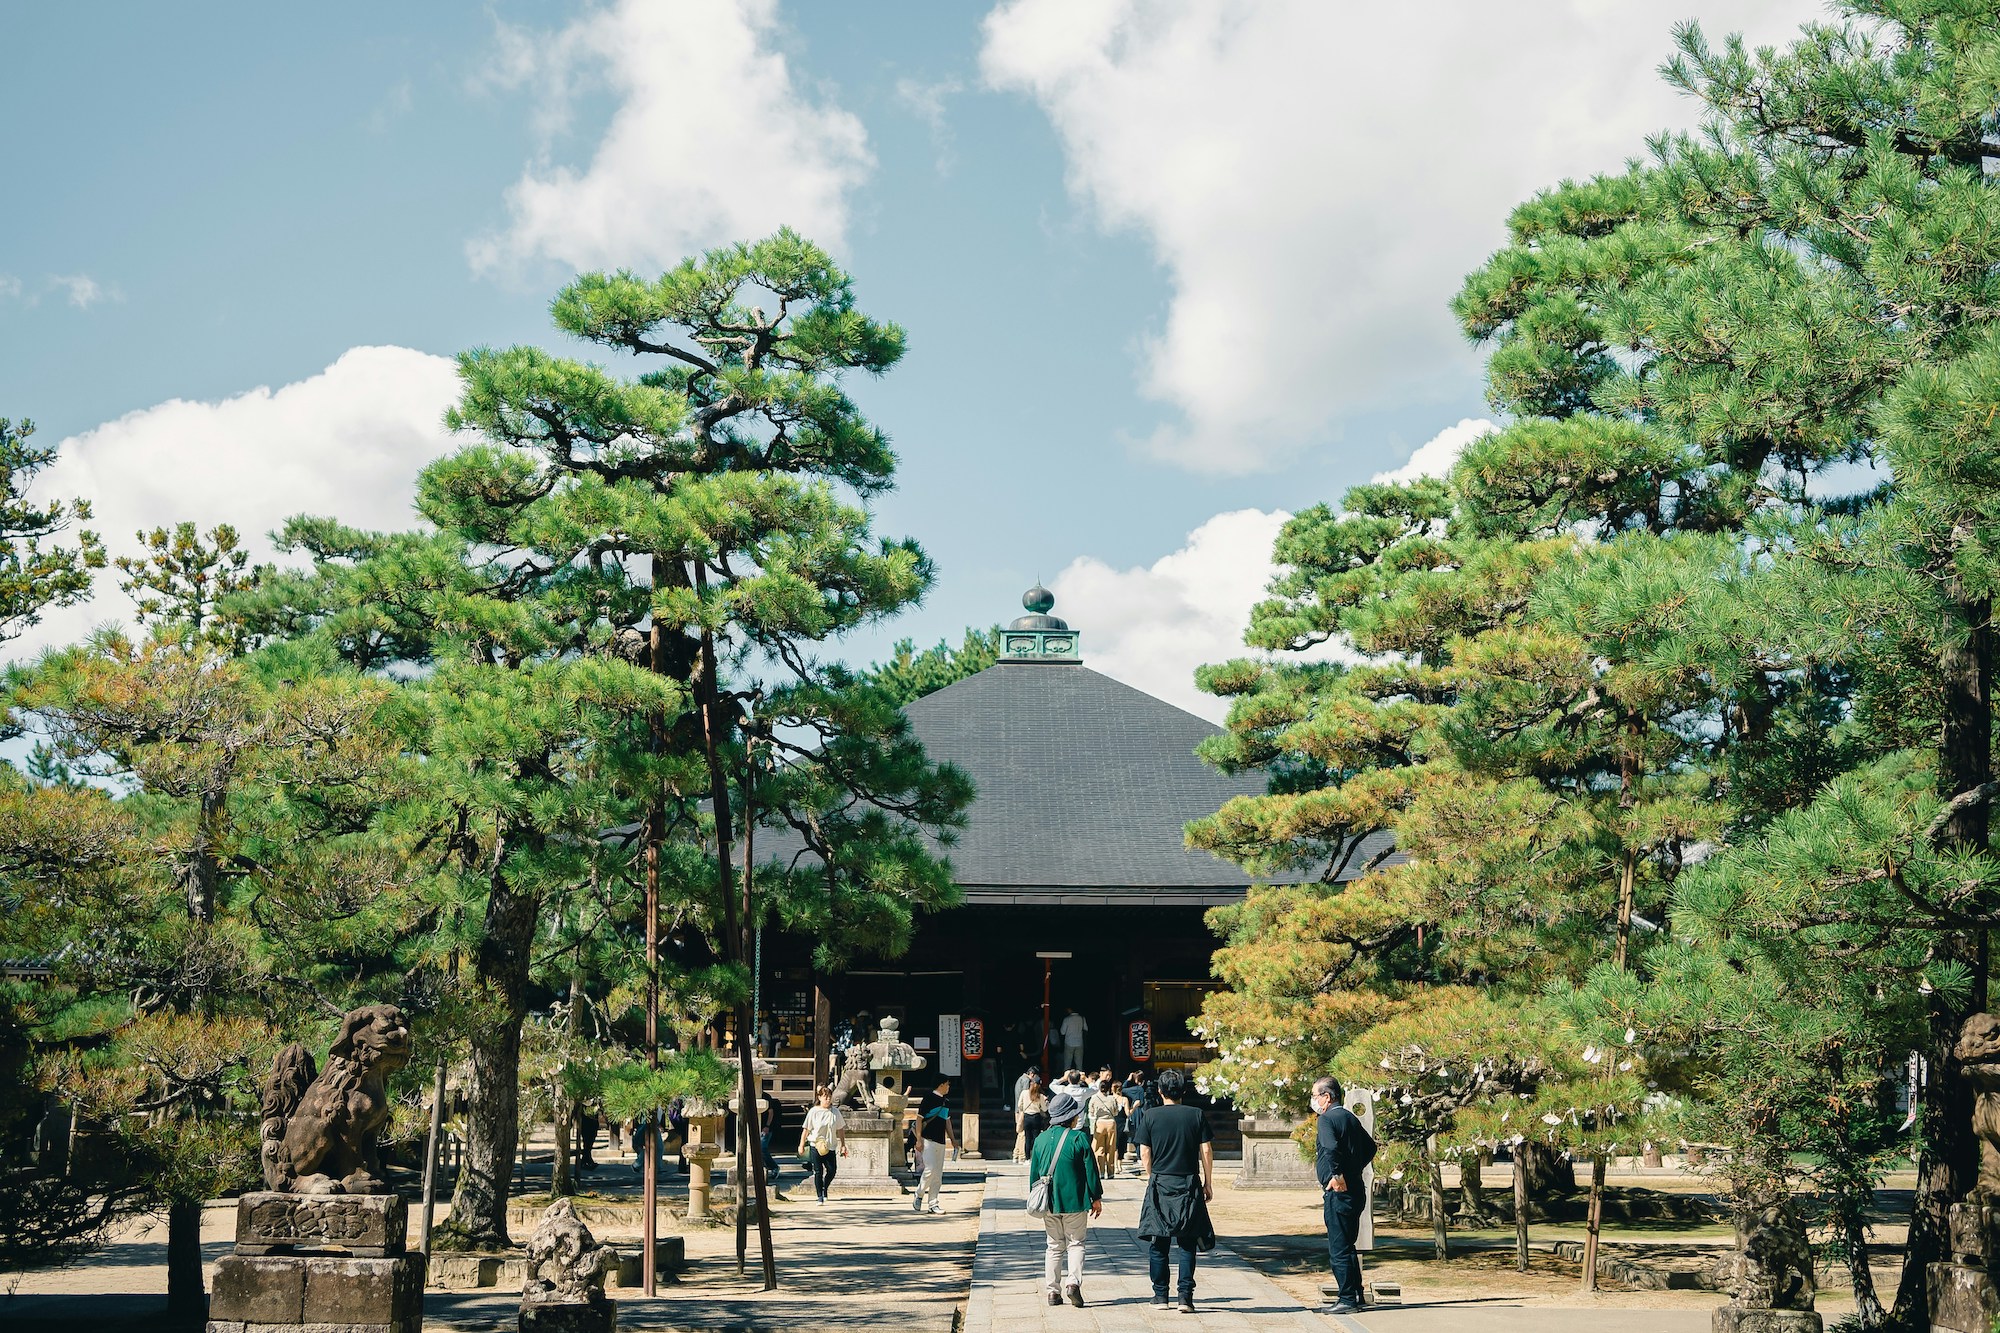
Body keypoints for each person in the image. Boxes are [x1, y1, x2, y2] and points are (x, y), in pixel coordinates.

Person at [1133, 1068, 1215, 1314]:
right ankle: (1185, 1297)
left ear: (1160, 1091)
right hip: (1188, 1181)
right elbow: (1206, 1150)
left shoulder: (1150, 1115)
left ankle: (1160, 1295)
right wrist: (1208, 1182)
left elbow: (1144, 1151)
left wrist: (1152, 1175)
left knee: (1159, 1241)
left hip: (1161, 1181)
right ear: (1184, 1091)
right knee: (1188, 1242)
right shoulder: (1195, 1114)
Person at [1028, 1092, 1103, 1308]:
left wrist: (1036, 1198)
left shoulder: (1040, 1140)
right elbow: (1091, 1171)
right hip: (1075, 1200)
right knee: (1076, 1243)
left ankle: (1053, 1292)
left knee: (1053, 1246)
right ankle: (1073, 1283)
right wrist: (1096, 1197)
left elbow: (1034, 1175)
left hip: (1049, 1202)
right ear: (1071, 1116)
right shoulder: (1079, 1138)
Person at [1312, 1075, 1377, 1315]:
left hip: (1339, 1192)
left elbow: (1330, 1148)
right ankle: (1356, 1293)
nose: (1314, 1100)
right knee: (1348, 1245)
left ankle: (1347, 1298)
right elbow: (1371, 1147)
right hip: (1356, 1189)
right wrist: (1354, 1169)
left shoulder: (1327, 1119)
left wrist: (1338, 1174)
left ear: (1327, 1097)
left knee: (1339, 1248)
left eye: (1315, 1095)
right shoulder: (1350, 1118)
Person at [912, 1075, 957, 1214]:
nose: (948, 1087)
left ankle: (933, 1203)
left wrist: (953, 1139)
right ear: (941, 1084)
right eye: (947, 1084)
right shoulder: (929, 1098)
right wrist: (918, 1139)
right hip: (928, 1139)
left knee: (938, 1174)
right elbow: (919, 1119)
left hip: (940, 1141)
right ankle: (919, 1193)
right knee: (930, 1169)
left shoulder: (946, 1102)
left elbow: (947, 1122)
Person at [797, 1084, 849, 1204]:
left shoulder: (835, 1112)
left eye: (830, 1097)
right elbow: (806, 1129)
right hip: (816, 1145)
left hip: (830, 1145)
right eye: (825, 1097)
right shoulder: (813, 1112)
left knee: (832, 1170)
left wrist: (843, 1144)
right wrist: (801, 1145)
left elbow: (840, 1129)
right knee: (818, 1171)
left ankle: (825, 1187)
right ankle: (819, 1195)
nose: (828, 1099)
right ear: (820, 1097)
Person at [1087, 1077, 1124, 1180]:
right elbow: (1116, 1112)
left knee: (1099, 1148)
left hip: (1099, 1123)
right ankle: (1111, 1172)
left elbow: (1091, 1113)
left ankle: (1101, 1172)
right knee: (1111, 1148)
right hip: (1111, 1123)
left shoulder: (1094, 1098)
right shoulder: (1112, 1099)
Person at [1016, 1073, 1051, 1162]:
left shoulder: (1024, 1093)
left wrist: (1024, 1109)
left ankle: (1027, 1158)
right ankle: (1036, 1158)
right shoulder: (1040, 1096)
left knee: (1027, 1138)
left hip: (1027, 1117)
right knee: (1036, 1138)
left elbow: (1019, 1105)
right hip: (1036, 1117)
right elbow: (1044, 1108)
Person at [1059, 1007, 1088, 1072]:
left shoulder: (1066, 1019)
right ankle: (1080, 1077)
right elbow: (1086, 1029)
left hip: (1069, 1043)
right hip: (1079, 1043)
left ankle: (1067, 1077)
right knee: (1079, 1064)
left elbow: (1062, 1032)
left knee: (1067, 1064)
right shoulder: (1082, 1018)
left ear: (1070, 1009)